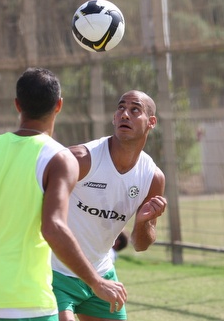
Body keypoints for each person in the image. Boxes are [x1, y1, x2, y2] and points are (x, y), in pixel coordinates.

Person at [0, 68, 127, 321]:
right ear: (59, 105)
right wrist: (96, 281)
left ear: (17, 105)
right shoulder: (59, 159)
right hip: (28, 306)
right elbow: (54, 228)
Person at [51, 90, 167, 321]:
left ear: (151, 122)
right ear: (114, 118)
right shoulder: (82, 159)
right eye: (121, 108)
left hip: (101, 275)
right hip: (56, 273)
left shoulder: (152, 177)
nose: (125, 114)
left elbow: (140, 244)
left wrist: (143, 222)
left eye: (135, 110)